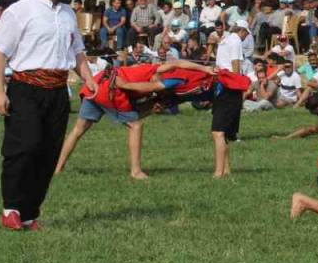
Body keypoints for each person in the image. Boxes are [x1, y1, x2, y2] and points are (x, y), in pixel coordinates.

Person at [0, 0, 97, 231]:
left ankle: (29, 213)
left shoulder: (68, 14)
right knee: (25, 147)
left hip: (58, 91)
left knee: (48, 152)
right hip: (26, 88)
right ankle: (11, 207)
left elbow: (76, 51)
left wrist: (88, 77)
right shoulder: (21, 11)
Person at [55, 59, 220, 179]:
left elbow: (178, 63)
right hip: (111, 89)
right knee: (136, 125)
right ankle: (135, 171)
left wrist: (204, 68)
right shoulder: (172, 79)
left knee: (78, 129)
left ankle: (57, 168)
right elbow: (146, 86)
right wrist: (204, 68)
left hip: (97, 83)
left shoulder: (158, 68)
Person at [211, 20, 251, 177]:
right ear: (241, 31)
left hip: (223, 85)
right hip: (229, 85)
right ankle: (223, 169)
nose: (246, 37)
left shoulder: (225, 40)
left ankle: (220, 171)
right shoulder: (235, 42)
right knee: (220, 131)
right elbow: (236, 65)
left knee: (219, 132)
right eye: (246, 34)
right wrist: (239, 86)